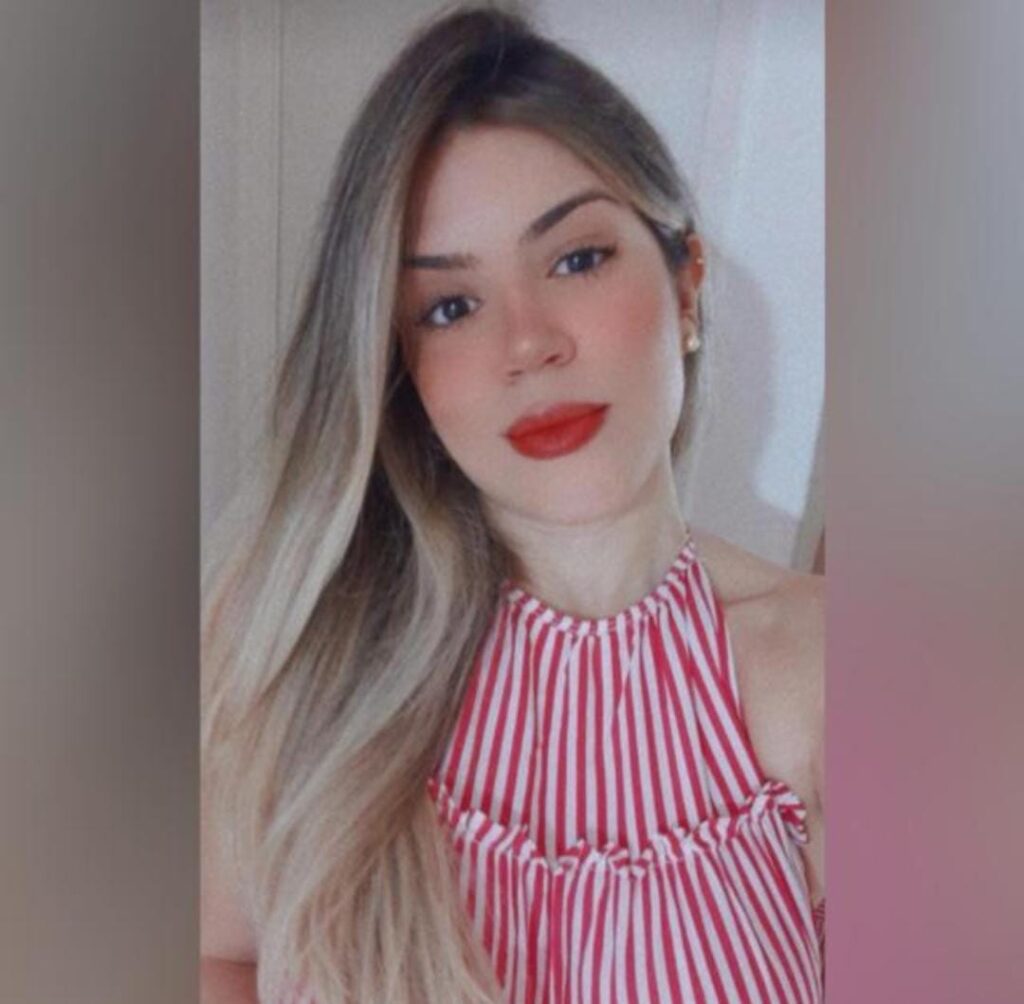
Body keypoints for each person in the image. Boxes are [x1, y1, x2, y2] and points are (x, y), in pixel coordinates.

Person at [201, 5, 824, 1003]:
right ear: (398, 369)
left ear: (686, 287)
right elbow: (215, 956)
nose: (527, 343)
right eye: (450, 307)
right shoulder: (296, 641)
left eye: (575, 258)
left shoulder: (832, 668)